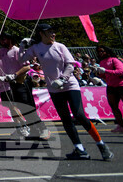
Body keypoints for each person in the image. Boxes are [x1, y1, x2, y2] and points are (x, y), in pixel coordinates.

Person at [23, 24, 113, 160]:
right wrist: (23, 46)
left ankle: (101, 144)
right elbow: (20, 59)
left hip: (69, 84)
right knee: (65, 119)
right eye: (50, 32)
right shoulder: (36, 48)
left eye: (54, 32)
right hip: (54, 88)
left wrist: (62, 79)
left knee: (79, 115)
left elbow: (71, 65)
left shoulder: (60, 46)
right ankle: (79, 149)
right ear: (41, 33)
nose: (53, 34)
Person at [0, 33, 38, 139]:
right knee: (11, 107)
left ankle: (26, 126)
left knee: (17, 106)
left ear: (11, 39)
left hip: (17, 82)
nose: (2, 41)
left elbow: (27, 67)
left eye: (5, 39)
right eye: (1, 39)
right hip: (5, 84)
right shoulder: (1, 52)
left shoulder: (16, 50)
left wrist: (14, 75)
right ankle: (19, 127)